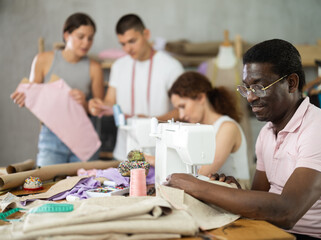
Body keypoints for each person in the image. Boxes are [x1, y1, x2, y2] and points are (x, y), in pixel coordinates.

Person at [166, 39, 321, 240]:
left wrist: (196, 186)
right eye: (246, 88)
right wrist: (235, 191)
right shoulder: (268, 132)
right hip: (273, 230)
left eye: (259, 87)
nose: (249, 97)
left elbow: (287, 212)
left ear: (291, 83)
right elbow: (261, 195)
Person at [10, 12, 104, 166]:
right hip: (51, 138)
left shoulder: (94, 67)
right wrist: (23, 97)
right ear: (66, 35)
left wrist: (85, 104)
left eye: (90, 38)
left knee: (86, 186)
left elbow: (99, 108)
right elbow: (34, 96)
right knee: (46, 186)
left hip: (83, 138)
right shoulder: (43, 60)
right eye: (81, 37)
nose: (86, 43)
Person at [89, 14, 184, 160]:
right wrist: (98, 105)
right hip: (123, 153)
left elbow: (182, 111)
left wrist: (150, 122)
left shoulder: (171, 67)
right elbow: (110, 102)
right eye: (123, 44)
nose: (127, 48)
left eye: (132, 41)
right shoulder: (119, 66)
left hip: (158, 154)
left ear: (146, 34)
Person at [165, 71, 250, 184]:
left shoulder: (228, 128)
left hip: (237, 194)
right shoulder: (199, 129)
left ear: (200, 98)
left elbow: (202, 174)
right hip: (215, 191)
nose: (181, 115)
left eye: (182, 106)